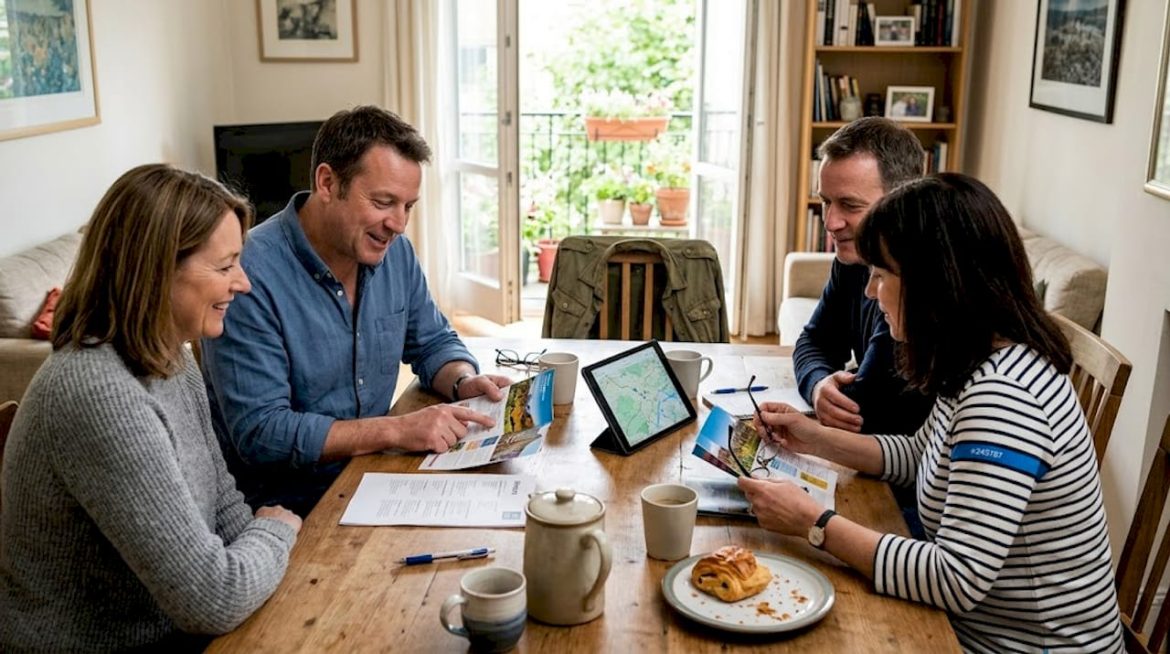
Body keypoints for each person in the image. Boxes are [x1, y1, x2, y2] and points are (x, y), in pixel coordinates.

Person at [741, 173, 1123, 652]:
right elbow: (920, 454)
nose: (869, 292)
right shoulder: (978, 358)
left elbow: (956, 578)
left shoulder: (1004, 399)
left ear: (934, 284)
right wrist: (809, 436)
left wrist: (813, 524)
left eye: (881, 275)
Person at [0, 164, 301, 651]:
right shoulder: (96, 393)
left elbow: (221, 500)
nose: (243, 283)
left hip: (171, 630)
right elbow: (212, 599)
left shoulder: (170, 357)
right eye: (225, 266)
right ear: (156, 271)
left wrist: (262, 551)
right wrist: (275, 532)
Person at [202, 106, 509, 516]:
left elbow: (433, 340)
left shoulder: (394, 251)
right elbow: (262, 433)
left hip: (374, 476)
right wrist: (396, 430)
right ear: (327, 182)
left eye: (408, 206)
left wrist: (463, 381)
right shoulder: (249, 275)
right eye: (384, 202)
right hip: (288, 509)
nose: (398, 224)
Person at [795, 116, 935, 435]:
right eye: (826, 201)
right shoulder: (853, 259)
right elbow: (814, 340)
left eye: (849, 205)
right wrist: (818, 385)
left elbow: (864, 409)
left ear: (901, 202)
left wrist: (832, 394)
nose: (830, 223)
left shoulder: (919, 283)